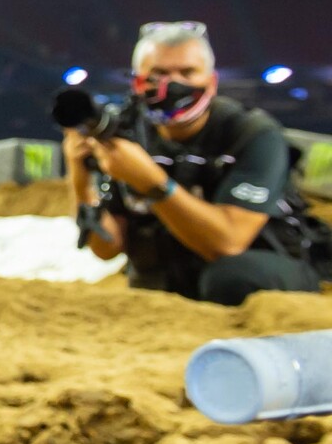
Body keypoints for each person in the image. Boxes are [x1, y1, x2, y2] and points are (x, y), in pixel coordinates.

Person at [68, 21, 328, 304]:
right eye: (159, 73)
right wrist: (80, 177)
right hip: (174, 280)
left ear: (212, 82)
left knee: (230, 277)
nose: (173, 84)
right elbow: (106, 248)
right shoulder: (130, 135)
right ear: (137, 82)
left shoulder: (252, 134)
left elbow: (229, 242)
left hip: (264, 264)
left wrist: (152, 183)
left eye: (187, 72)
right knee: (149, 278)